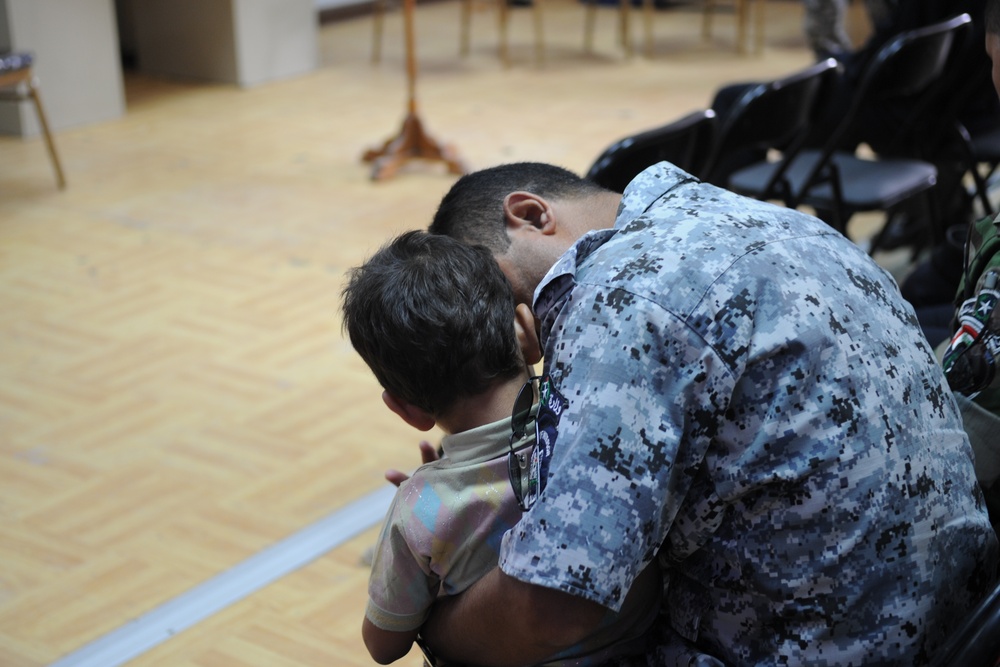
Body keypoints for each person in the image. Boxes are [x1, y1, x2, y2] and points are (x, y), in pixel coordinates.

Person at [419, 161, 999, 666]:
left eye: (498, 300)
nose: (513, 335)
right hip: (956, 621)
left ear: (530, 214)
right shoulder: (776, 221)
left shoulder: (620, 298)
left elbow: (552, 606)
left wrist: (433, 624)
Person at [341, 230, 661, 665]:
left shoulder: (418, 512)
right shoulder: (599, 426)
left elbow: (383, 646)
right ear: (528, 332)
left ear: (406, 410)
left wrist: (418, 513)